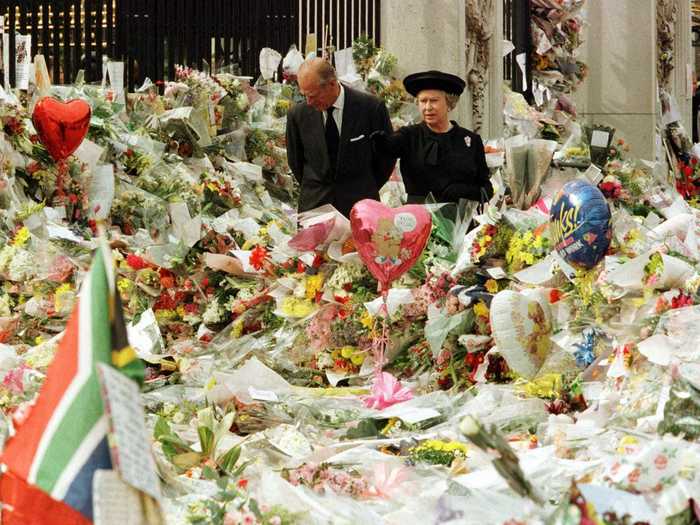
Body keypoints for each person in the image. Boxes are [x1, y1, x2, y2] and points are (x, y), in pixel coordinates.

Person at [286, 58, 395, 217]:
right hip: (314, 208)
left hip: (360, 207)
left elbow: (386, 158)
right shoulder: (298, 115)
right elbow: (296, 161)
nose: (309, 102)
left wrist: (363, 186)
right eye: (304, 95)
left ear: (332, 84)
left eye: (313, 95)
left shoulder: (371, 108)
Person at [371, 70, 493, 205]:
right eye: (423, 101)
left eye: (434, 101)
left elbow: (487, 189)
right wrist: (378, 140)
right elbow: (388, 148)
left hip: (461, 220)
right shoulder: (409, 135)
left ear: (449, 103)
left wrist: (464, 191)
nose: (428, 107)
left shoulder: (471, 140)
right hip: (418, 220)